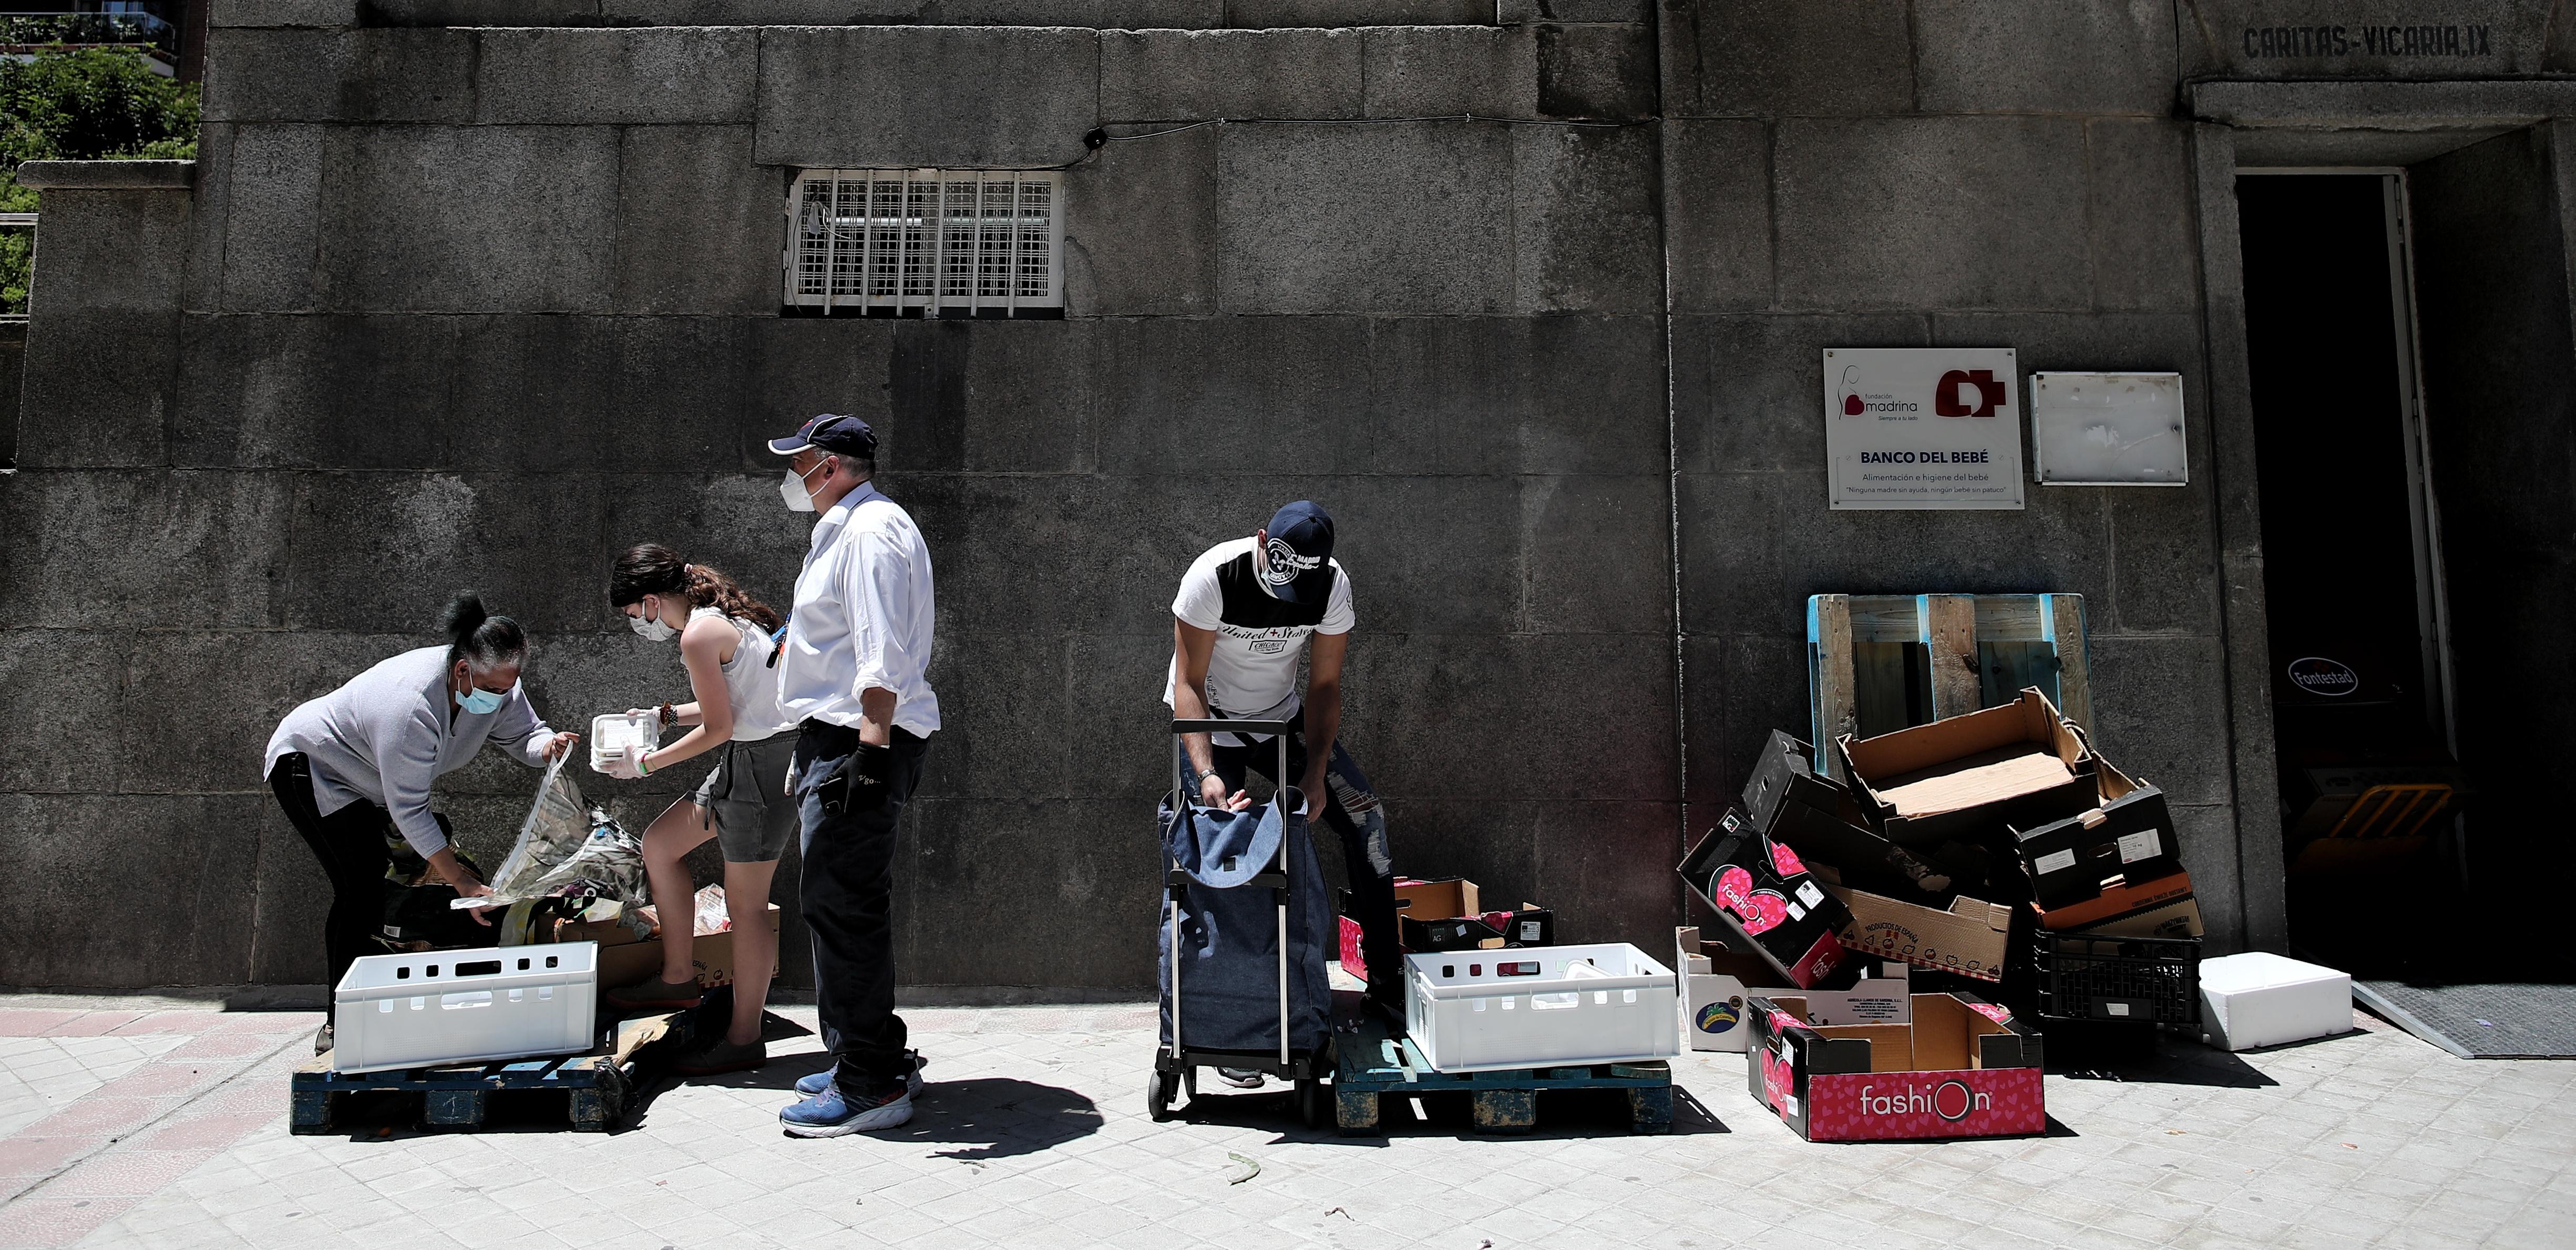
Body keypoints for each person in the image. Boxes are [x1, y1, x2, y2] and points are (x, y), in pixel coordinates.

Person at [264, 592, 578, 1054]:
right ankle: (340, 1019)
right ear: (461, 671)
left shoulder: (497, 683)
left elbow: (526, 732)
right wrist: (462, 884)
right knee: (359, 884)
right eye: (492, 690)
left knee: (405, 873)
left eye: (509, 688)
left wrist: (548, 745)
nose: (500, 698)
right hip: (312, 767)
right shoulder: (409, 704)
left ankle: (389, 993)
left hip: (370, 783)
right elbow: (410, 809)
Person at [1167, 501, 1401, 1058]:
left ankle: (1388, 987)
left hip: (1281, 719)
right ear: (1260, 540)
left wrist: (1316, 773)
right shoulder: (1212, 577)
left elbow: (1323, 687)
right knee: (1218, 848)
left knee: (1366, 822)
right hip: (1212, 722)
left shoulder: (1331, 585)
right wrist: (1204, 774)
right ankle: (1224, 1022)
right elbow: (1188, 682)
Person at [766, 414, 940, 1137]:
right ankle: (864, 1056)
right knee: (840, 906)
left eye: (798, 462)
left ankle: (871, 1081)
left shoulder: (869, 533)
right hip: (836, 737)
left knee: (843, 911)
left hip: (859, 738)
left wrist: (865, 756)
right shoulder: (852, 528)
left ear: (830, 466)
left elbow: (880, 652)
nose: (790, 476)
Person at [595, 545, 800, 1077]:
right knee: (660, 846)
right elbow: (732, 704)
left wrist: (646, 765)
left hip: (761, 765)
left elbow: (719, 727)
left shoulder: (697, 634)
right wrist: (663, 715)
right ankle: (677, 976)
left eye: (631, 616)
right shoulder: (722, 615)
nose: (636, 626)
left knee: (748, 906)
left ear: (648, 600)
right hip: (751, 757)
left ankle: (743, 1037)